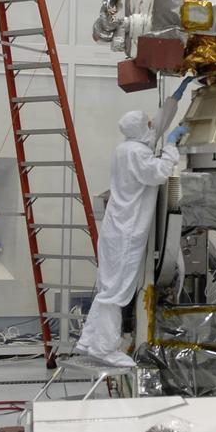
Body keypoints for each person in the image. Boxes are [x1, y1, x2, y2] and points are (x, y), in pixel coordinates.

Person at [75, 107, 186, 368]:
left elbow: (152, 130)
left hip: (117, 228)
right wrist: (171, 146)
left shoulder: (126, 148)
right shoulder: (137, 152)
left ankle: (89, 340)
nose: (151, 126)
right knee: (117, 292)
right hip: (126, 232)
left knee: (108, 288)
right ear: (140, 129)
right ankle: (104, 348)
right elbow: (158, 173)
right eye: (147, 123)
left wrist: (175, 99)